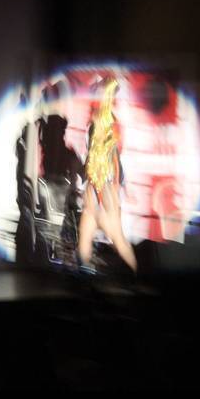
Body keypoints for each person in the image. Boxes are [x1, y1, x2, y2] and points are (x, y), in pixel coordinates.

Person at [77, 77, 137, 272]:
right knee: (85, 240)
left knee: (118, 240)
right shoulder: (98, 123)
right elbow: (92, 158)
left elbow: (114, 161)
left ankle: (138, 277)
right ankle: (82, 281)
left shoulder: (109, 125)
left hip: (104, 189)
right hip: (96, 189)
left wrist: (115, 189)